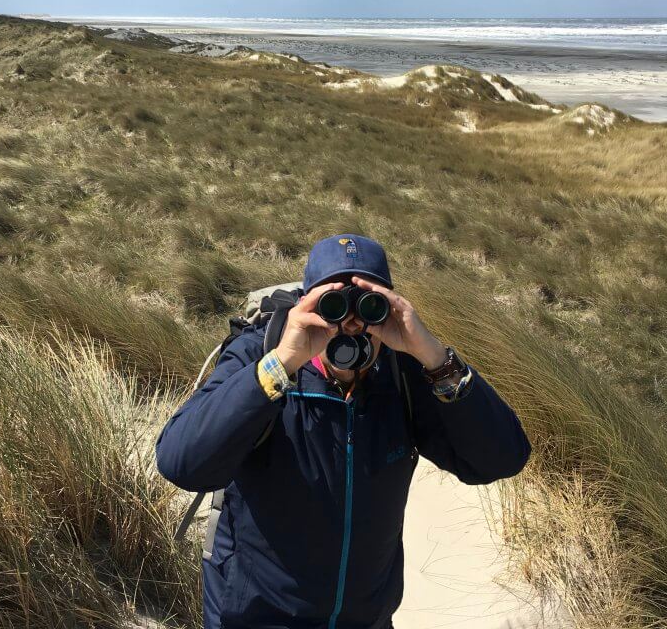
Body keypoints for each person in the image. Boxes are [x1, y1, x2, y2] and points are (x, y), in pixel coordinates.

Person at [156, 234, 531, 629]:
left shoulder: (402, 373)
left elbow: (502, 458)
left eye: (369, 306)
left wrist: (434, 357)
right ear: (305, 303)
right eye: (332, 305)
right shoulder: (260, 355)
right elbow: (181, 462)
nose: (350, 323)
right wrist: (284, 362)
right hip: (258, 616)